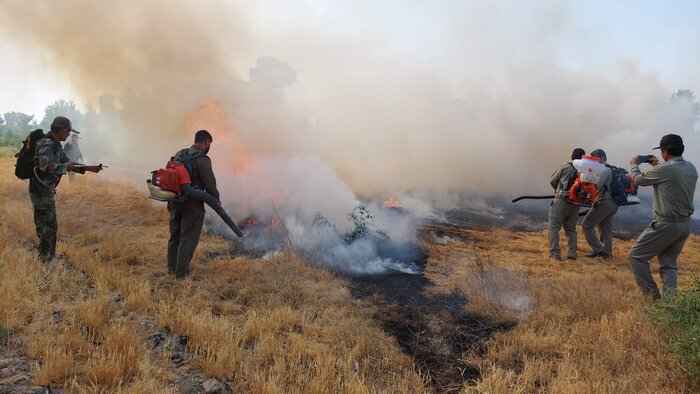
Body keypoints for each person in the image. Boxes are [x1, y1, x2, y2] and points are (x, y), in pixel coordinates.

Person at [628, 134, 697, 299]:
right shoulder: (691, 168)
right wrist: (657, 166)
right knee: (669, 264)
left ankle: (652, 297)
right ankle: (669, 304)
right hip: (684, 225)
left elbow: (637, 180)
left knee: (636, 256)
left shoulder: (666, 169)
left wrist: (633, 165)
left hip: (666, 224)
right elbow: (671, 179)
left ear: (665, 152)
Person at [30, 116, 102, 262]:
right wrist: (65, 167)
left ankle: (46, 258)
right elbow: (45, 166)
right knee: (47, 226)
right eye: (68, 131)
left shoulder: (56, 145)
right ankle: (45, 260)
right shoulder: (47, 144)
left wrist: (88, 168)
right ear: (61, 130)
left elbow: (67, 162)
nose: (69, 134)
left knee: (49, 225)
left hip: (46, 190)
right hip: (41, 190)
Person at [167, 129, 220, 278]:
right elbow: (210, 185)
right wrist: (216, 200)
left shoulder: (179, 154)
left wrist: (170, 201)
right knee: (188, 238)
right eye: (209, 144)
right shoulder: (202, 159)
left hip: (175, 201)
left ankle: (171, 268)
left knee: (175, 236)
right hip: (192, 205)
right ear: (207, 142)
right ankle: (181, 273)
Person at [548, 148, 585, 261]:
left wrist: (556, 190)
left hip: (562, 200)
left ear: (572, 156)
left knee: (554, 227)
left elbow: (553, 180)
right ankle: (572, 255)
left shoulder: (566, 166)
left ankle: (555, 254)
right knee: (571, 229)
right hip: (576, 203)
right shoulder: (586, 170)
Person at [581, 149, 618, 259]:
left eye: (596, 159)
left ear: (602, 158)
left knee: (586, 225)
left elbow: (597, 186)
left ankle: (598, 249)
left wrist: (588, 178)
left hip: (604, 201)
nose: (594, 162)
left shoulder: (605, 170)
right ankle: (607, 253)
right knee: (605, 228)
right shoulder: (614, 169)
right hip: (615, 203)